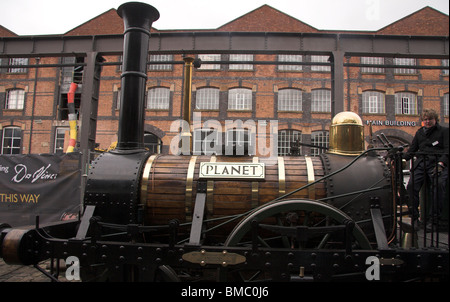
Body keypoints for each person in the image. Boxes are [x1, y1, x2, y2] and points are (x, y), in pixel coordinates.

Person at [403, 109, 448, 229]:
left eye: (430, 119)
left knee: (438, 186)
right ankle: (415, 218)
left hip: (436, 164)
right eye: (425, 120)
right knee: (411, 186)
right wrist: (399, 157)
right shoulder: (419, 133)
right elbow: (411, 151)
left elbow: (447, 150)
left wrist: (441, 163)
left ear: (435, 120)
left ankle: (434, 220)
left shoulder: (444, 131)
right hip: (421, 163)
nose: (427, 122)